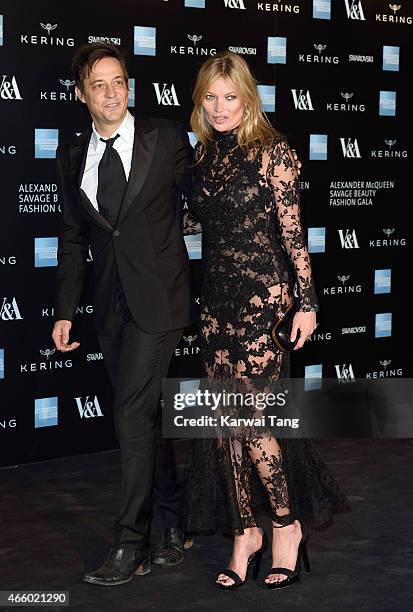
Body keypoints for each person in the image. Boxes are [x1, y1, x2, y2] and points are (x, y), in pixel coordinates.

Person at [182, 52, 350, 590]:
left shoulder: (273, 152)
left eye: (230, 96)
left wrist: (309, 303)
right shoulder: (203, 159)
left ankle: (285, 525)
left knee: (253, 421)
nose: (220, 107)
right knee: (226, 426)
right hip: (215, 306)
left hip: (264, 304)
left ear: (248, 98)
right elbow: (191, 222)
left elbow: (294, 238)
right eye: (210, 96)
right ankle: (243, 532)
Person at [51, 43, 194, 585]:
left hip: (160, 301)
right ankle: (172, 525)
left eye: (119, 82)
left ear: (129, 85)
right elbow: (72, 239)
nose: (112, 94)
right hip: (109, 306)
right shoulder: (70, 154)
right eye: (99, 85)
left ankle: (130, 544)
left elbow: (205, 199)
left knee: (131, 416)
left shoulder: (166, 137)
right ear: (82, 94)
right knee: (144, 419)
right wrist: (65, 310)